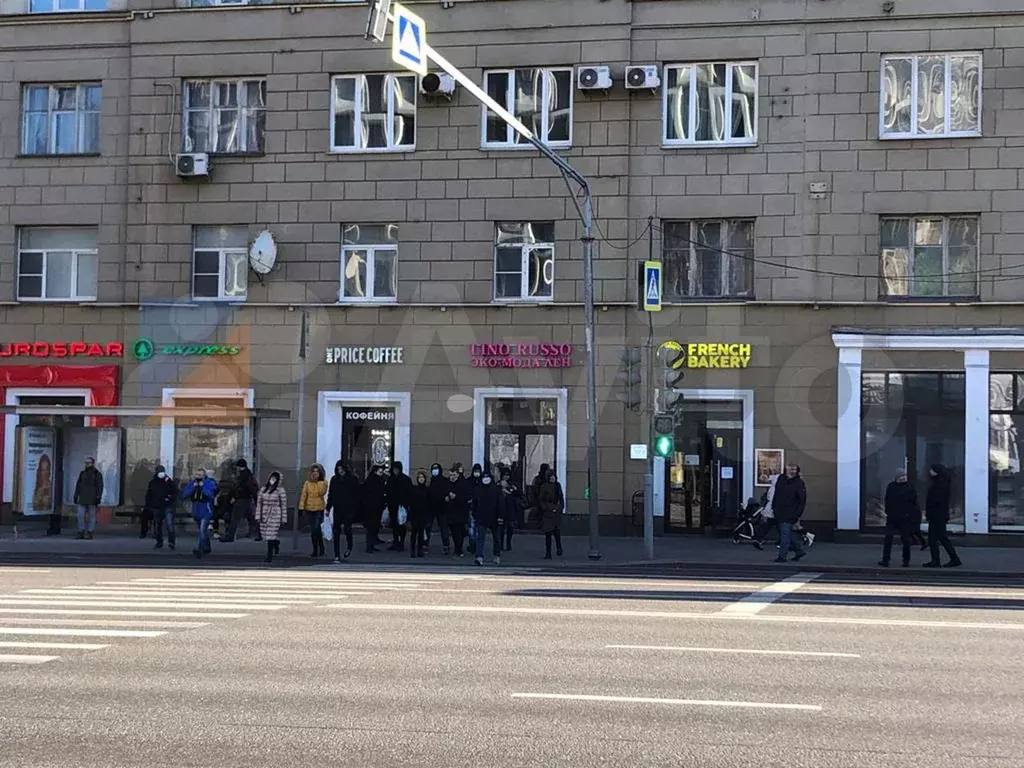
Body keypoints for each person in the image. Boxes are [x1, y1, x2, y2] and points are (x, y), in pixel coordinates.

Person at [924, 464, 962, 568]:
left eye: (931, 470)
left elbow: (935, 501)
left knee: (936, 539)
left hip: (937, 516)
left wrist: (930, 513)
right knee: (940, 538)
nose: (930, 472)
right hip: (939, 516)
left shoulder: (939, 485)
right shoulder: (942, 483)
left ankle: (941, 560)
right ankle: (947, 559)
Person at [880, 468, 919, 568]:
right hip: (892, 517)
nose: (903, 478)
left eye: (904, 476)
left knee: (906, 540)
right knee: (888, 538)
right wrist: (888, 511)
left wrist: (910, 515)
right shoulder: (891, 486)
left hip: (904, 517)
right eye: (902, 476)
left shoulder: (909, 487)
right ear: (897, 477)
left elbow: (913, 502)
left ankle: (906, 560)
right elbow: (887, 500)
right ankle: (885, 560)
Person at [771, 464, 807, 563]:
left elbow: (802, 500)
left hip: (790, 512)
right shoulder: (781, 479)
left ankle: (782, 556)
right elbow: (776, 494)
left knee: (785, 536)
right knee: (786, 535)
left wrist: (797, 514)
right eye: (790, 469)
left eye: (794, 469)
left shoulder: (799, 483)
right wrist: (773, 508)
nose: (792, 471)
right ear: (785, 470)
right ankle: (799, 552)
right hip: (779, 511)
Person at [327, 461, 360, 563]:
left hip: (348, 509)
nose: (340, 471)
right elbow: (331, 494)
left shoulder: (352, 479)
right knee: (336, 532)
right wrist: (328, 508)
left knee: (348, 530)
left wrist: (355, 508)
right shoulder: (334, 479)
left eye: (341, 469)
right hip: (337, 508)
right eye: (338, 469)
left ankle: (349, 547)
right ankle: (336, 555)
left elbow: (357, 494)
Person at [183, 469, 217, 559]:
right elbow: (185, 494)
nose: (198, 476)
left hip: (206, 510)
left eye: (200, 475)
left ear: (204, 475)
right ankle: (207, 547)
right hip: (196, 510)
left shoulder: (209, 483)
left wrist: (202, 487)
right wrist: (193, 487)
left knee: (202, 530)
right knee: (203, 531)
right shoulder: (192, 483)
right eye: (197, 474)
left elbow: (210, 494)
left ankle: (200, 549)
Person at [224, 459, 260, 543]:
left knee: (235, 518)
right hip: (248, 499)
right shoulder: (249, 474)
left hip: (241, 500)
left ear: (239, 467)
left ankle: (231, 536)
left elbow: (240, 488)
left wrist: (234, 497)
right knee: (250, 518)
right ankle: (257, 534)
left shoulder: (243, 476)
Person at [472, 469, 502, 566]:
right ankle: (479, 557)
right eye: (484, 477)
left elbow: (500, 504)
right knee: (481, 538)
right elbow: (475, 503)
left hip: (494, 517)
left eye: (487, 477)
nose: (485, 479)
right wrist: (475, 514)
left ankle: (496, 556)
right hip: (482, 517)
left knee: (496, 538)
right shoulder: (478, 489)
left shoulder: (495, 489)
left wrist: (500, 516)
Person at [256, 471, 286, 564]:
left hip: (275, 514)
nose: (273, 480)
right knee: (266, 535)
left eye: (275, 479)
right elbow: (259, 503)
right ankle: (275, 543)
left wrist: (283, 518)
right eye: (272, 478)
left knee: (271, 535)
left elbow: (283, 505)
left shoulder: (280, 490)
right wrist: (258, 516)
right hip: (265, 514)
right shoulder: (263, 489)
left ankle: (269, 556)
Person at [299, 464, 328, 557]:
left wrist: (317, 482)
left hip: (319, 509)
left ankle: (321, 546)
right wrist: (301, 507)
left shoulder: (323, 483)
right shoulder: (307, 483)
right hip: (309, 508)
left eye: (317, 472)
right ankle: (315, 549)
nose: (315, 474)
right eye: (313, 472)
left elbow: (321, 493)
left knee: (316, 528)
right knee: (314, 530)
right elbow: (303, 495)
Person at [145, 464, 177, 550]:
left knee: (169, 525)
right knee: (157, 526)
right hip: (157, 506)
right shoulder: (153, 482)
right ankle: (159, 542)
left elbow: (175, 492)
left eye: (162, 471)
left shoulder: (168, 481)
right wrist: (148, 506)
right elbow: (149, 495)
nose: (161, 473)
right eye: (160, 471)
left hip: (167, 506)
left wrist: (170, 499)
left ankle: (171, 542)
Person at [73, 456, 104, 540]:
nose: (87, 464)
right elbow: (78, 485)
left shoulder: (97, 474)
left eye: (88, 463)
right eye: (86, 463)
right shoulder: (82, 473)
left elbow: (100, 486)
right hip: (82, 497)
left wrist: (98, 497)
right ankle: (81, 531)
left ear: (92, 463)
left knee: (92, 516)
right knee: (80, 515)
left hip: (92, 498)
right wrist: (76, 495)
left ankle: (90, 532)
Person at [386, 461, 413, 552]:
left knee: (401, 525)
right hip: (393, 506)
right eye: (394, 469)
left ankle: (401, 543)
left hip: (402, 506)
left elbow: (409, 493)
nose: (395, 471)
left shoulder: (405, 479)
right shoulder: (391, 479)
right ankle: (396, 542)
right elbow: (388, 492)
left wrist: (406, 504)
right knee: (394, 525)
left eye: (397, 469)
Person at [446, 463, 472, 556]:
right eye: (450, 475)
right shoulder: (448, 483)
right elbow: (444, 493)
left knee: (459, 531)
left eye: (454, 475)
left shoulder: (463, 483)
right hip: (451, 511)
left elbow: (467, 497)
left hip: (461, 511)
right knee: (454, 531)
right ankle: (457, 548)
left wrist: (456, 496)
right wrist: (446, 497)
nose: (452, 477)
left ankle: (459, 549)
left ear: (457, 474)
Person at [361, 464, 388, 553]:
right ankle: (370, 545)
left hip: (372, 506)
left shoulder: (371, 479)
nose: (381, 473)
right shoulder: (377, 480)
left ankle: (372, 543)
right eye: (380, 472)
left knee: (372, 526)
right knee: (372, 526)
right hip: (374, 506)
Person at [538, 469, 564, 559]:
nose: (553, 478)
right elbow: (541, 499)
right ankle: (548, 553)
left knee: (557, 532)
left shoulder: (557, 485)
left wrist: (560, 508)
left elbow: (561, 498)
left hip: (556, 511)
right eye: (551, 477)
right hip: (548, 512)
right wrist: (545, 508)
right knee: (548, 534)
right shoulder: (544, 486)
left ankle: (559, 548)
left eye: (553, 476)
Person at [425, 462, 451, 554]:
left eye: (436, 469)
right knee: (427, 527)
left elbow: (447, 492)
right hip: (431, 508)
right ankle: (425, 544)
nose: (435, 471)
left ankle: (446, 546)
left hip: (441, 508)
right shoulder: (431, 481)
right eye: (433, 469)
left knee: (444, 528)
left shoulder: (445, 481)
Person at [499, 468, 523, 552]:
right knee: (501, 528)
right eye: (505, 475)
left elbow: (519, 493)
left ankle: (508, 543)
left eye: (507, 475)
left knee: (510, 526)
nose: (506, 477)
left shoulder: (512, 484)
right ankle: (501, 544)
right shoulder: (498, 483)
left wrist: (511, 489)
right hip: (501, 507)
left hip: (511, 507)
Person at [409, 470, 430, 558]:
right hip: (415, 514)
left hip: (423, 514)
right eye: (419, 477)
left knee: (421, 533)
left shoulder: (427, 490)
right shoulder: (414, 489)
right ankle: (412, 550)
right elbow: (411, 502)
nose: (421, 479)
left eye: (422, 477)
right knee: (414, 532)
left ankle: (420, 550)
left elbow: (429, 502)